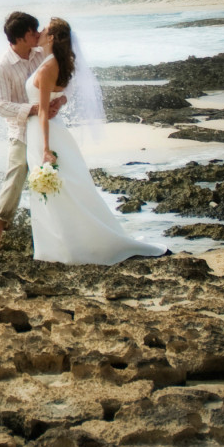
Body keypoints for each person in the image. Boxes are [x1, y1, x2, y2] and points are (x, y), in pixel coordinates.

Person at [27, 17, 165, 264]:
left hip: (46, 134)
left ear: (51, 38)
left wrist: (46, 149)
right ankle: (59, 247)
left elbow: (44, 112)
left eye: (44, 30)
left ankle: (67, 248)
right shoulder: (55, 63)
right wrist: (62, 101)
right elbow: (62, 95)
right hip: (46, 131)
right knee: (62, 190)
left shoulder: (49, 67)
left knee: (61, 190)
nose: (39, 32)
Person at [0, 11, 63, 254]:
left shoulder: (42, 54)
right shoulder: (2, 66)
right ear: (19, 38)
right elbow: (0, 105)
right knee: (17, 173)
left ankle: (60, 232)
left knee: (59, 171)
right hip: (20, 130)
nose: (39, 34)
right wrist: (32, 108)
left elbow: (61, 83)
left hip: (46, 126)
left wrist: (58, 102)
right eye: (33, 32)